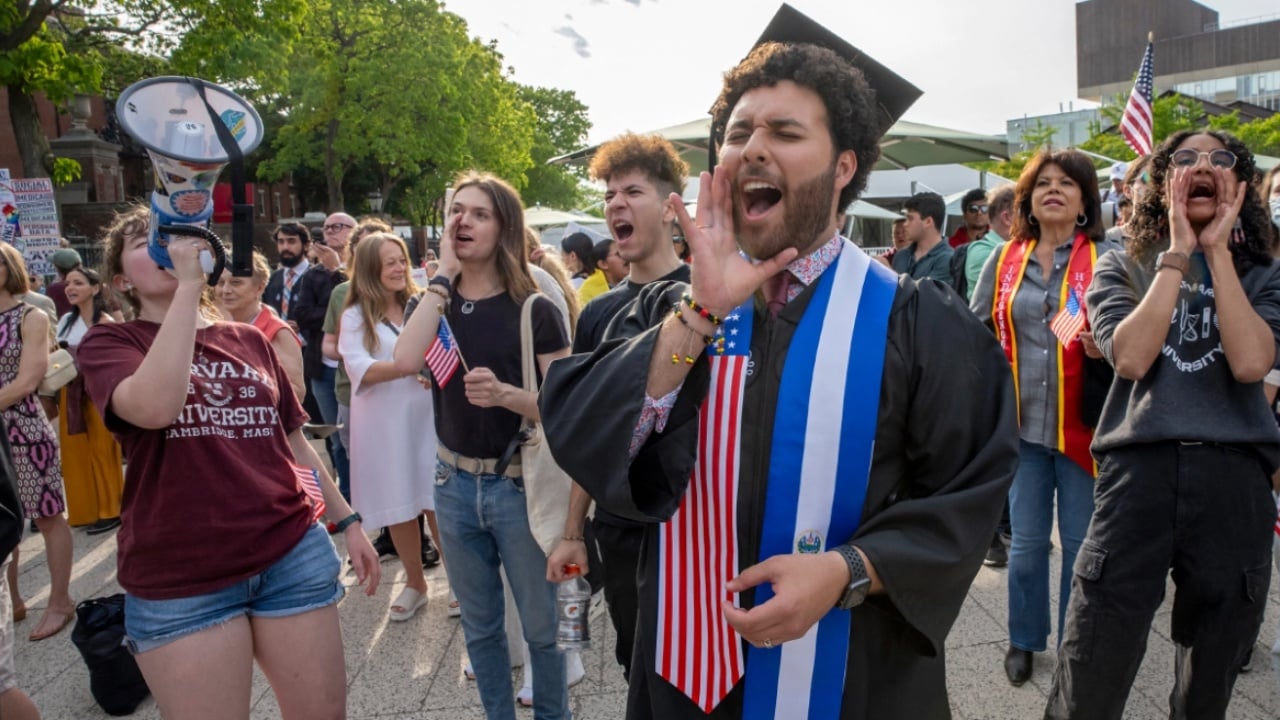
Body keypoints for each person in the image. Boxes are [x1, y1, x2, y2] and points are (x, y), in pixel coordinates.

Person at [539, 18, 1018, 718]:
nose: (753, 148)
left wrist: (848, 570)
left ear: (844, 166)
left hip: (849, 668)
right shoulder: (667, 311)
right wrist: (698, 315)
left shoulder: (912, 319)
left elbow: (970, 488)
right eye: (737, 134)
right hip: (682, 669)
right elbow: (593, 439)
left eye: (786, 134)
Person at [75, 206, 380, 719]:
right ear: (121, 280)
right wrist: (191, 289)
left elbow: (293, 442)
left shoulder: (249, 340)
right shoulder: (111, 344)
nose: (165, 246)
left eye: (172, 235)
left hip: (289, 553)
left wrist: (346, 519)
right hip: (182, 577)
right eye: (145, 240)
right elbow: (153, 407)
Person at [1044, 130, 1280, 719]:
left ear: (1241, 183)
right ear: (1160, 181)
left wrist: (1219, 253)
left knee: (1210, 674)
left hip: (1234, 481)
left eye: (1220, 159)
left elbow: (1253, 362)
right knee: (1094, 660)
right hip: (1139, 473)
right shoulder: (1122, 256)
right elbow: (1130, 357)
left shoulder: (1265, 269)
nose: (1203, 166)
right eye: (1185, 159)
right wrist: (1176, 252)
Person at [393, 171, 571, 720]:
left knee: (544, 629)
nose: (461, 221)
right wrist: (442, 279)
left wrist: (508, 396)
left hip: (518, 485)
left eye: (479, 213)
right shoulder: (432, 304)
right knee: (480, 626)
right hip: (451, 484)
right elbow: (403, 361)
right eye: (456, 210)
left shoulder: (534, 308)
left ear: (505, 227)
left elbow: (567, 410)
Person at [969, 149, 1123, 687]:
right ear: (1028, 201)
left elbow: (1133, 332)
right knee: (1029, 546)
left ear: (1085, 201)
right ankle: (1024, 640)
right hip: (1023, 431)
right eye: (1042, 184)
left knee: (1082, 548)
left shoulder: (1109, 255)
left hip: (1085, 430)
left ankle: (1075, 643)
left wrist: (1105, 344)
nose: (1053, 190)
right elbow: (977, 330)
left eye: (1066, 183)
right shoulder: (1006, 257)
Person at [545, 132, 691, 685]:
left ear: (671, 208)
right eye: (609, 195)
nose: (615, 205)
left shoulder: (712, 296)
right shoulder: (598, 312)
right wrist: (573, 530)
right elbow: (590, 436)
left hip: (698, 523)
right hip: (623, 528)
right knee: (641, 667)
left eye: (632, 191)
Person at [339, 232, 438, 623]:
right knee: (400, 502)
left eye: (401, 259)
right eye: (389, 262)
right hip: (385, 425)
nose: (399, 268)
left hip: (428, 418)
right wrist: (408, 366)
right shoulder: (354, 316)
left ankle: (461, 586)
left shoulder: (422, 304)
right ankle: (416, 583)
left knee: (437, 501)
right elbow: (358, 367)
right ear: (368, 269)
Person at [0, 243, 75, 642]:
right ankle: (10, 601)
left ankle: (60, 600)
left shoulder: (30, 315)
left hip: (24, 427)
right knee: (2, 520)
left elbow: (28, 381)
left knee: (46, 516)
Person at [56, 265, 125, 534]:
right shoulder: (64, 321)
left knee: (102, 451)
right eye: (68, 283)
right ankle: (83, 509)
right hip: (69, 392)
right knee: (75, 451)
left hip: (97, 392)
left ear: (95, 289)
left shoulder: (106, 322)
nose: (71, 288)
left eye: (78, 283)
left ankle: (111, 509)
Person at [215, 251, 306, 401]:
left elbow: (296, 392)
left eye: (236, 282)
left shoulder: (277, 331)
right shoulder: (212, 325)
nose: (226, 290)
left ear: (260, 288)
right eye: (220, 282)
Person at [892, 191, 954, 285]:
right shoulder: (901, 255)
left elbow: (928, 296)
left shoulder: (948, 259)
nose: (905, 224)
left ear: (928, 222)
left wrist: (888, 275)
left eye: (910, 218)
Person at [578, 238, 627, 305]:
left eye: (625, 252)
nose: (626, 256)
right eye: (618, 254)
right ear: (603, 264)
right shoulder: (587, 292)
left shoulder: (637, 281)